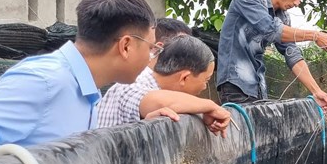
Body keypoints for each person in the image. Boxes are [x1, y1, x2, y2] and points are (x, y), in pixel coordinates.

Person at [0, 0, 157, 164]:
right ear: (126, 45)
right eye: (150, 48)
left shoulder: (86, 89)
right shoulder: (47, 80)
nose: (150, 57)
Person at [216, 0, 327, 111]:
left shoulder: (282, 16)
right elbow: (271, 30)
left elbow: (292, 54)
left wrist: (316, 91)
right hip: (235, 85)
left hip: (258, 87)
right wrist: (315, 35)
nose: (297, 3)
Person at [97, 34, 231, 135]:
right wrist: (210, 107)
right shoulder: (132, 85)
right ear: (184, 77)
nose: (204, 87)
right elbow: (156, 100)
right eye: (206, 80)